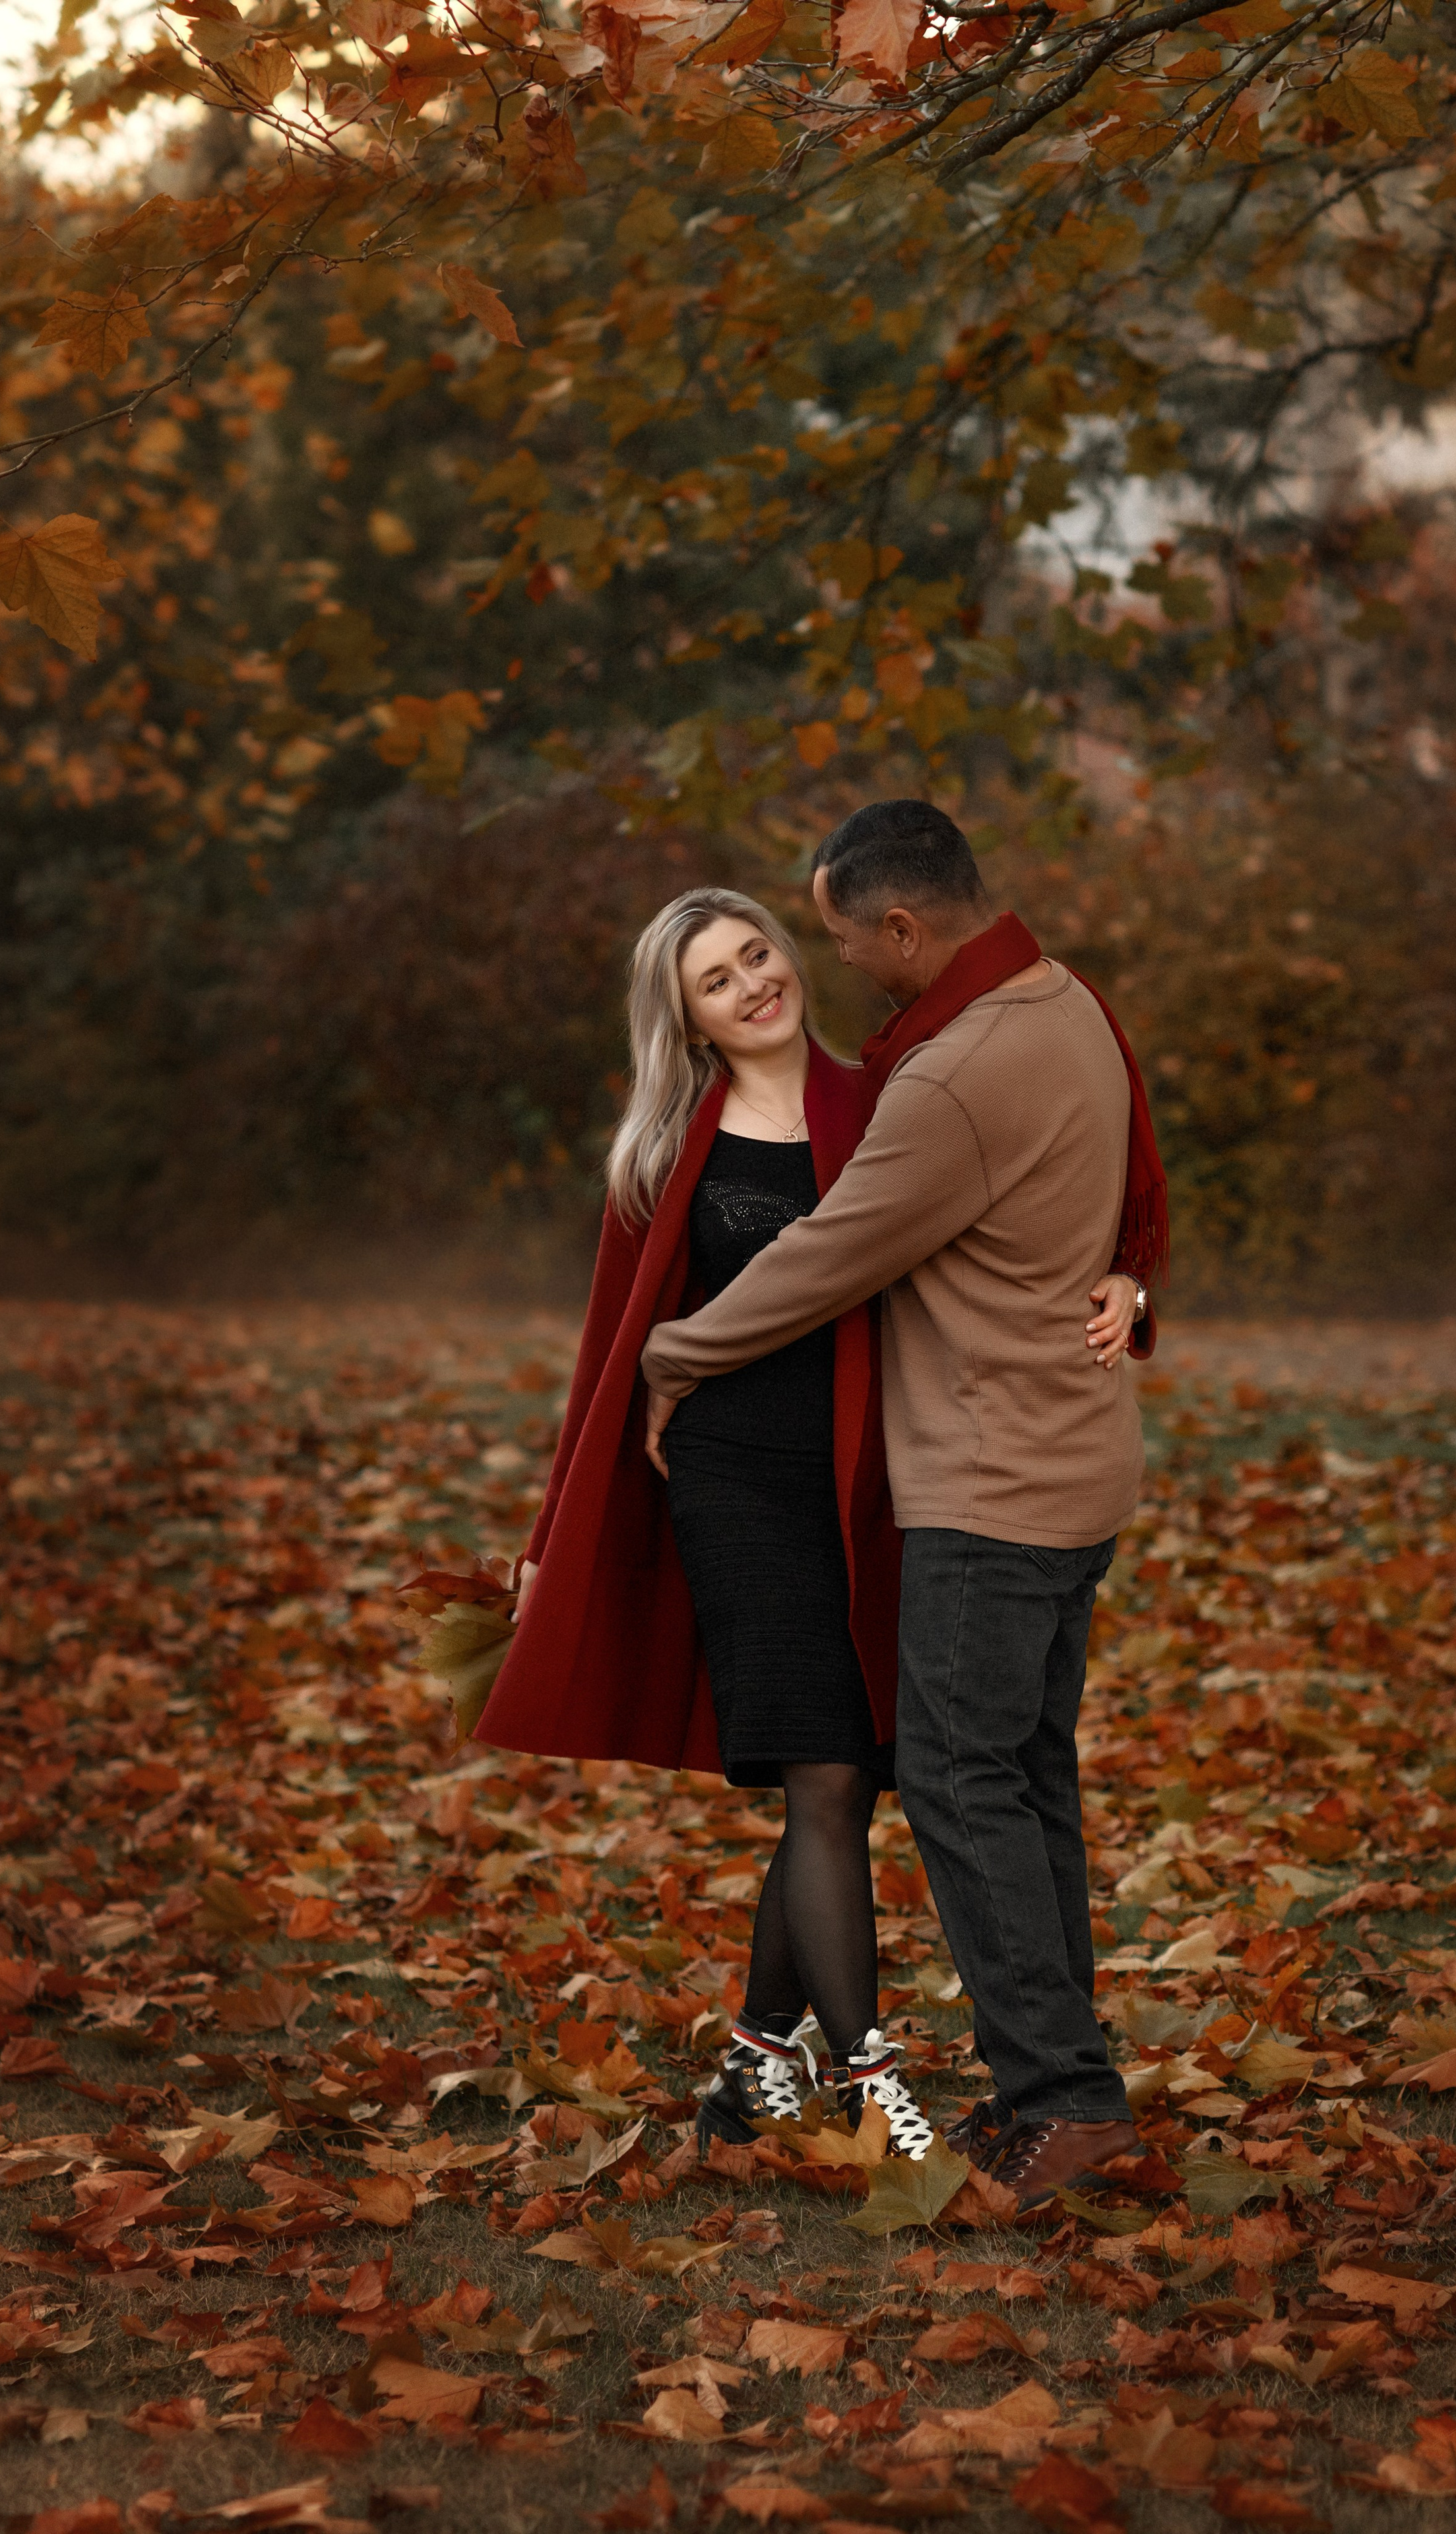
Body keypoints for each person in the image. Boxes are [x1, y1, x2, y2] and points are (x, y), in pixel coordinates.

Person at [641, 801, 1169, 2211]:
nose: (827, 973)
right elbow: (1120, 1177)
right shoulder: (1066, 1004)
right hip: (1076, 1468)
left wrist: (671, 1354)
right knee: (1020, 1776)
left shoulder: (944, 1078)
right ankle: (1064, 2094)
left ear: (900, 927)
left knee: (952, 1781)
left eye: (825, 943)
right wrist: (1130, 1270)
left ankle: (1057, 2103)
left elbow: (828, 1255)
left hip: (990, 1486)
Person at [474, 888, 937, 2160]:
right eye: (714, 982)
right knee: (829, 1771)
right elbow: (606, 1361)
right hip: (728, 1482)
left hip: (865, 1482)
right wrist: (548, 1533)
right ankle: (871, 2079)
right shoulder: (666, 1155)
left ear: (789, 957)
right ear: (686, 1022)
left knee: (840, 1784)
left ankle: (749, 2067)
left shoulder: (888, 1110)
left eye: (756, 954)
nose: (750, 985)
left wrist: (1125, 1268)